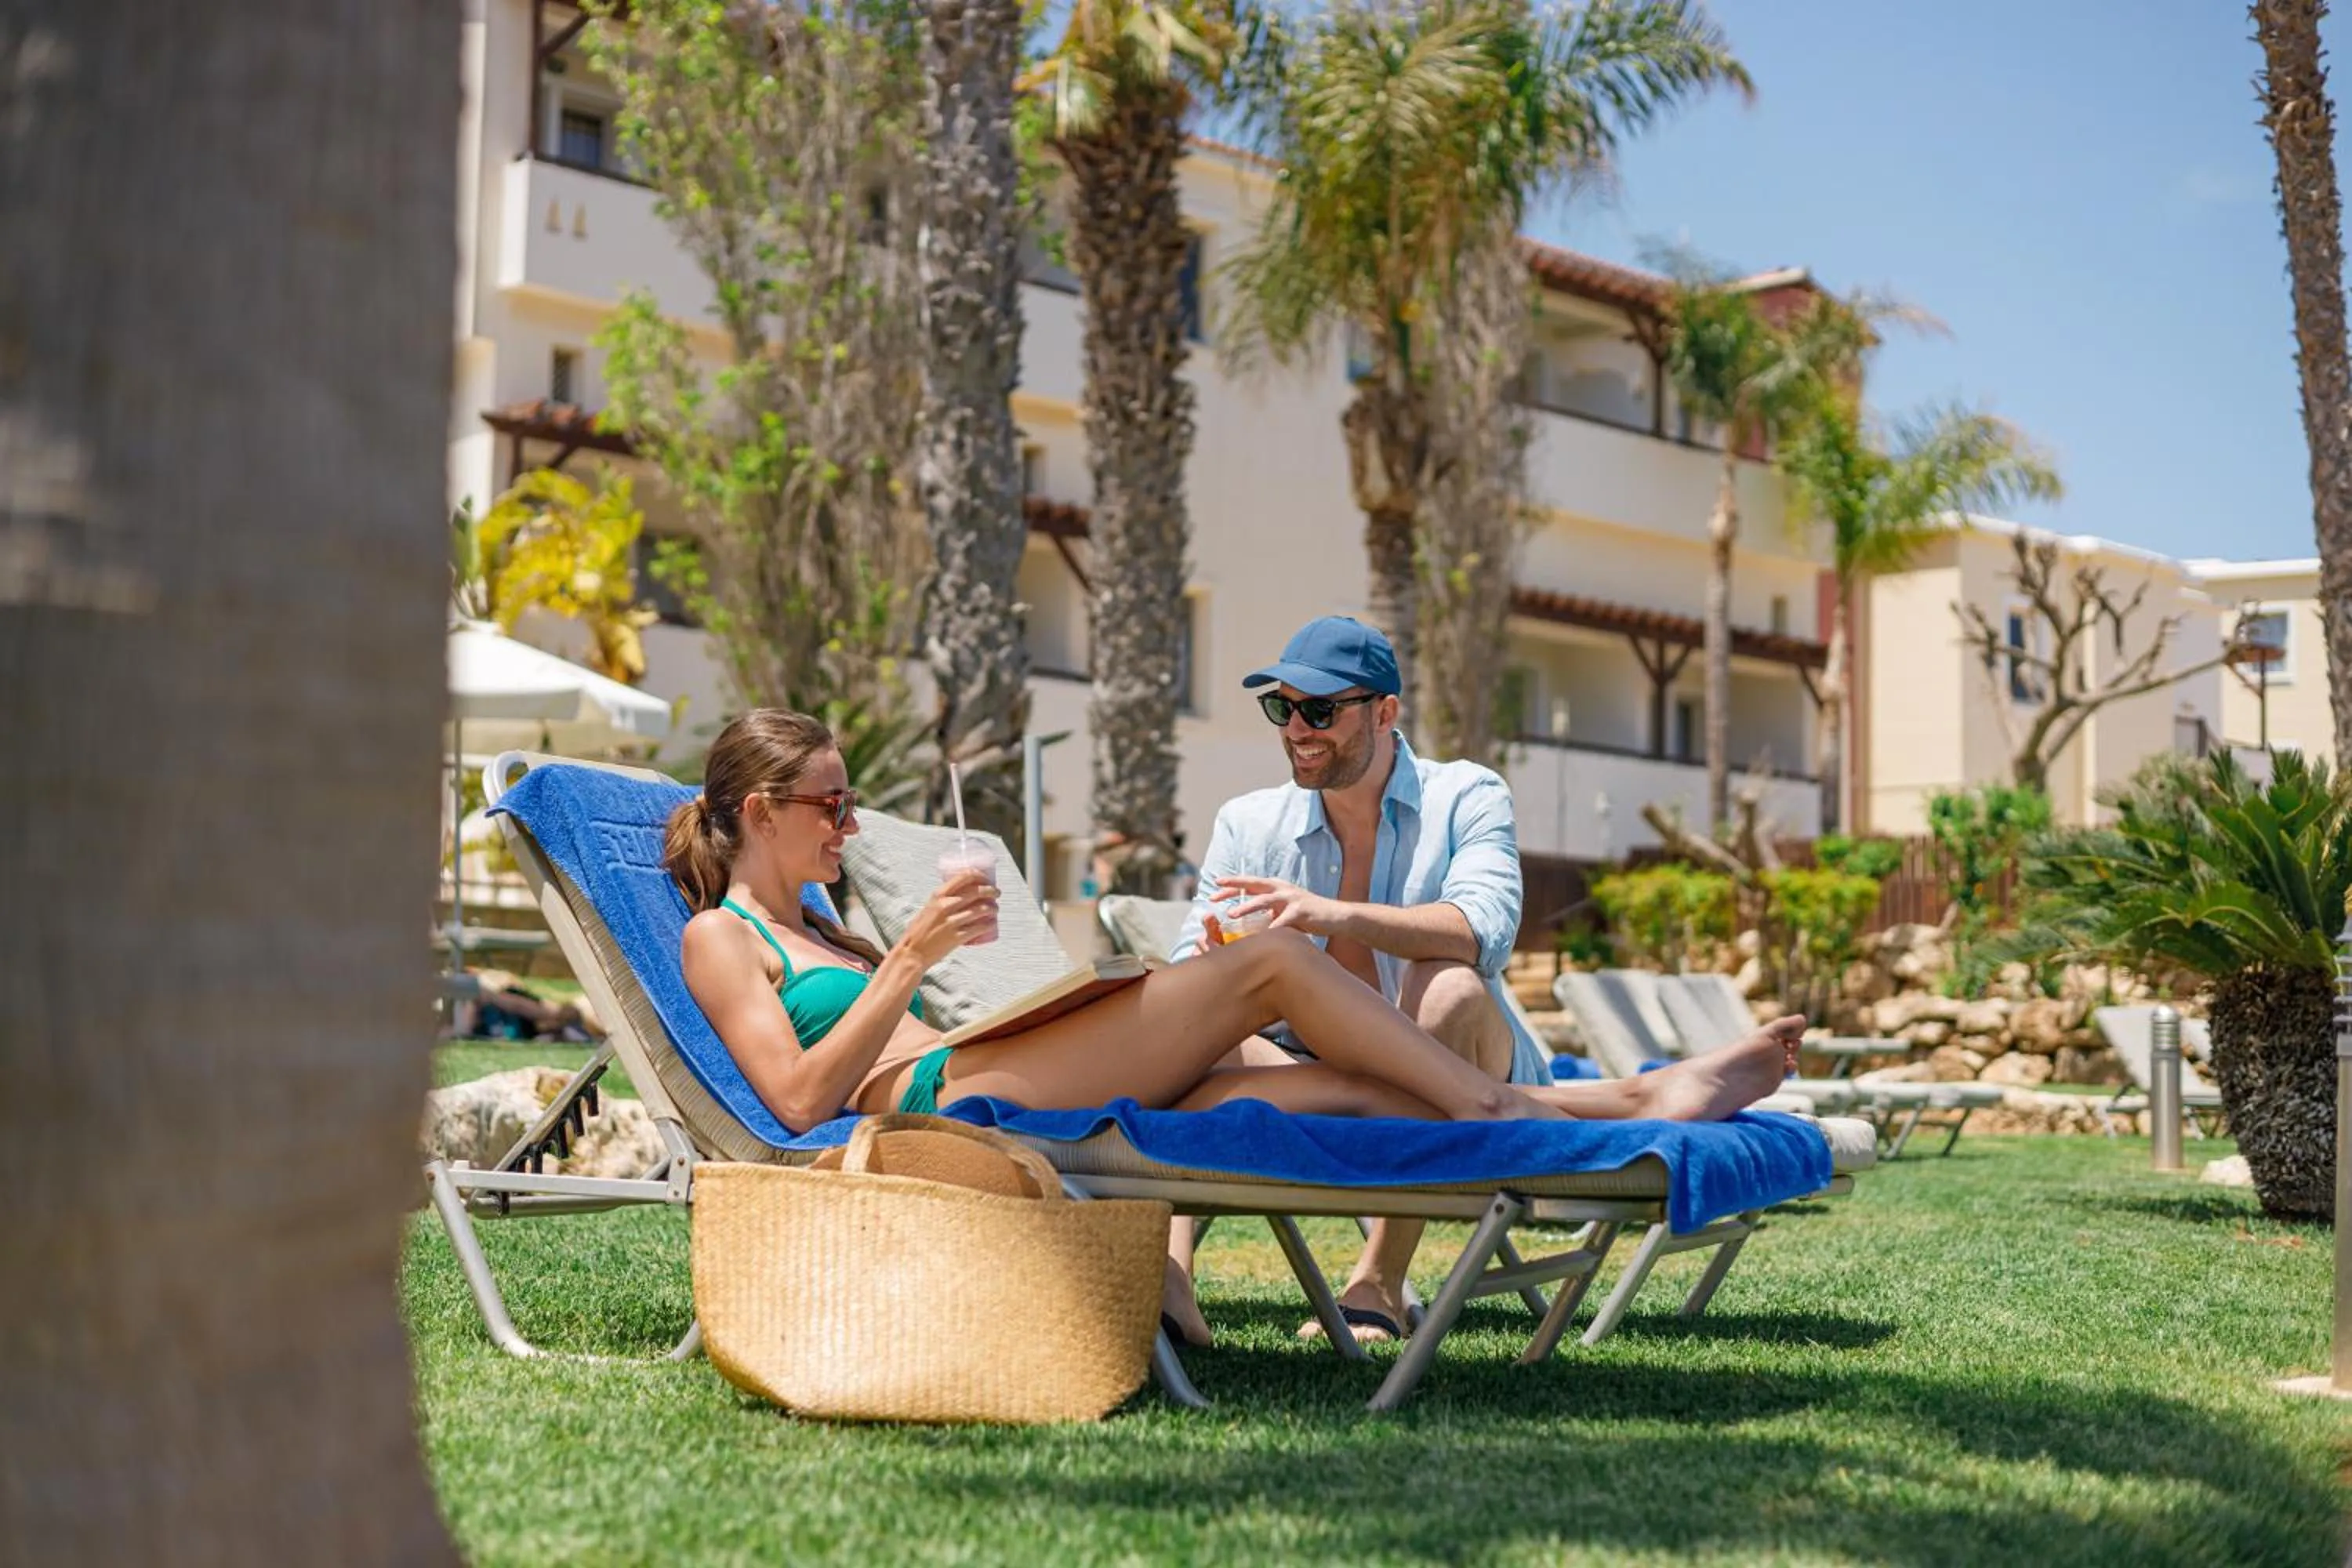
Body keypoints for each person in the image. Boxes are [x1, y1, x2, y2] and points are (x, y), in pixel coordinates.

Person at [669, 707, 1806, 1335]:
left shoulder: (834, 930)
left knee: (1371, 1089)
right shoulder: (725, 936)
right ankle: (1507, 1102)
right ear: (762, 813)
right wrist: (911, 956)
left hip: (1005, 1062)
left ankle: (1639, 1099)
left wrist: (926, 964)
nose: (850, 825)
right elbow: (800, 1102)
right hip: (956, 1104)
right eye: (832, 804)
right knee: (1268, 962)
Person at [1164, 615, 1538, 1347]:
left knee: (1449, 986)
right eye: (1283, 707)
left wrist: (1330, 915)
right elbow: (1186, 967)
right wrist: (1216, 963)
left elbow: (1482, 929)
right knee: (1183, 1025)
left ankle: (1380, 1282)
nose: (1298, 728)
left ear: (1385, 712)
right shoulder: (1248, 822)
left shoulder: (1467, 795)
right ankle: (1172, 1283)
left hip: (1460, 1075)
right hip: (1307, 1071)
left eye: (1321, 710)